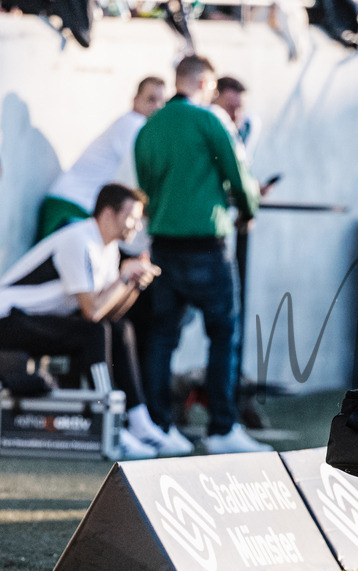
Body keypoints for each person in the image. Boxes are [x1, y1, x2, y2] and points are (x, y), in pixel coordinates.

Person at [134, 55, 269, 455]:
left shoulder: (149, 127)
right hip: (207, 247)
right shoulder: (210, 120)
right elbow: (239, 178)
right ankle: (222, 427)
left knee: (161, 338)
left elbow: (146, 184)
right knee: (223, 334)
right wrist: (248, 211)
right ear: (205, 81)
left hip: (162, 246)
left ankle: (160, 425)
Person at [0, 184, 192, 459]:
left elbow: (110, 314)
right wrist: (123, 277)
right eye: (132, 216)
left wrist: (133, 285)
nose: (138, 225)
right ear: (107, 214)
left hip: (35, 321)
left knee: (120, 328)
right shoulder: (78, 240)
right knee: (93, 331)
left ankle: (139, 422)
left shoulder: (109, 248)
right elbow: (91, 312)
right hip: (8, 319)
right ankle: (109, 421)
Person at [37, 77, 167, 241]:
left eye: (162, 102)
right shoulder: (133, 124)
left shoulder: (133, 125)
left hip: (74, 207)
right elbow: (143, 175)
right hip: (68, 207)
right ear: (135, 100)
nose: (157, 107)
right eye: (151, 99)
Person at [210, 76, 261, 159]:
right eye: (229, 108)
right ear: (212, 102)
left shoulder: (246, 127)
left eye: (240, 109)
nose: (235, 115)